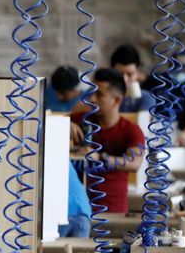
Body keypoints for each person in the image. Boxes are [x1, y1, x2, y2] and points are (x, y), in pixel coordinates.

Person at [70, 68, 147, 214]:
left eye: (99, 95)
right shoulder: (82, 120)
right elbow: (48, 127)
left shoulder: (131, 130)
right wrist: (65, 125)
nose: (92, 99)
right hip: (79, 211)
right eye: (93, 93)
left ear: (116, 100)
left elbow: (134, 162)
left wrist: (100, 157)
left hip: (113, 211)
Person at [110, 44, 156, 113]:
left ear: (137, 73)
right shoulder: (98, 94)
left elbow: (142, 121)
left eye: (130, 74)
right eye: (119, 74)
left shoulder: (147, 98)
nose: (124, 80)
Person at [60, 161, 92, 238]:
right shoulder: (66, 161)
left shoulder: (44, 160)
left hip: (64, 212)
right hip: (84, 210)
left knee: (52, 249)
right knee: (79, 249)